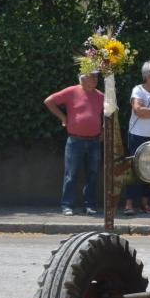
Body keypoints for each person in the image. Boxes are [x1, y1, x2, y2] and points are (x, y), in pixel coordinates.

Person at [44, 71, 105, 217]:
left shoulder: (101, 96)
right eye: (92, 76)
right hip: (75, 139)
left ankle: (89, 205)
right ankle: (67, 205)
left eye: (96, 77)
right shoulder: (72, 91)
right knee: (71, 174)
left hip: (94, 140)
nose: (95, 79)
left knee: (93, 173)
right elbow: (49, 101)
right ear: (83, 78)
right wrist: (63, 117)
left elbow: (106, 114)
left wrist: (103, 128)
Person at [123, 61, 150, 216]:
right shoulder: (138, 90)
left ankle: (146, 203)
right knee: (134, 169)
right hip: (137, 135)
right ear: (147, 76)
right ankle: (129, 204)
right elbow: (138, 110)